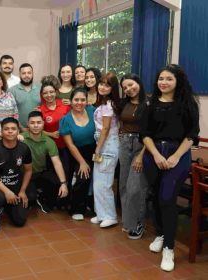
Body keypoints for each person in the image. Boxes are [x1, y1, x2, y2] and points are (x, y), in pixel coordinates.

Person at [141, 64, 199, 272]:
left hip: (178, 156)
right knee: (156, 195)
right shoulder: (151, 104)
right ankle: (161, 233)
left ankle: (169, 248)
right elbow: (144, 134)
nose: (163, 82)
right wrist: (156, 155)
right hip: (153, 154)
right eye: (161, 79)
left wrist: (174, 157)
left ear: (177, 82)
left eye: (169, 79)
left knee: (167, 198)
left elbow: (192, 134)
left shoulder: (187, 104)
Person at [0, 117, 34, 232]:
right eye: (6, 129)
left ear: (18, 131)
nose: (10, 131)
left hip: (15, 185)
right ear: (1, 132)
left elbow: (28, 170)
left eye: (13, 129)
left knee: (20, 221)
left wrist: (22, 191)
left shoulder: (24, 148)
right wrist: (7, 192)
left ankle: (7, 206)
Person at [118, 74, 149, 239]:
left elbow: (151, 133)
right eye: (125, 88)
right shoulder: (124, 103)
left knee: (135, 187)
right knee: (123, 184)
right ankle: (129, 222)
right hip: (124, 143)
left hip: (141, 145)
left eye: (131, 85)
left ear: (138, 82)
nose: (129, 89)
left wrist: (141, 155)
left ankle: (138, 222)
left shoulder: (149, 104)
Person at [60, 88, 96, 221]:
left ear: (87, 101)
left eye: (82, 100)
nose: (79, 103)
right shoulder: (65, 120)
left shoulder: (93, 111)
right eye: (76, 100)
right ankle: (76, 208)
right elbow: (70, 145)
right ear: (70, 101)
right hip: (75, 152)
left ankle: (93, 205)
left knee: (97, 179)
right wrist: (82, 162)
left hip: (94, 150)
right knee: (83, 177)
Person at [22, 111, 68, 213]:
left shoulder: (49, 141)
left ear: (43, 123)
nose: (35, 125)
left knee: (56, 183)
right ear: (28, 124)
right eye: (32, 123)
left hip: (40, 172)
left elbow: (57, 163)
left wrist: (63, 183)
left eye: (38, 122)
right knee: (30, 197)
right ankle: (34, 196)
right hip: (24, 175)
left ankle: (42, 197)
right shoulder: (21, 138)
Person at [91, 72, 120, 228]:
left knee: (105, 182)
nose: (102, 87)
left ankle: (110, 216)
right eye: (101, 83)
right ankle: (101, 214)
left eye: (107, 85)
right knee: (98, 181)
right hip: (103, 143)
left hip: (107, 144)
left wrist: (98, 149)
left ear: (112, 88)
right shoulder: (103, 103)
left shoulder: (109, 105)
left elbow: (106, 129)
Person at [39, 75, 71, 194]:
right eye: (46, 93)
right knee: (52, 176)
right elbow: (35, 130)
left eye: (51, 92)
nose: (49, 95)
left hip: (66, 147)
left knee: (66, 173)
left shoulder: (65, 107)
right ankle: (52, 200)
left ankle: (66, 200)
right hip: (50, 148)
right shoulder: (40, 110)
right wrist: (50, 134)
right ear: (42, 95)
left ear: (56, 92)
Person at [9, 63, 41, 129]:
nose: (26, 75)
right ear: (19, 75)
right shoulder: (12, 90)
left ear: (32, 74)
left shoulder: (41, 88)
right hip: (19, 131)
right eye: (23, 73)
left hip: (39, 129)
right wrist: (21, 128)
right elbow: (10, 113)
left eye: (29, 73)